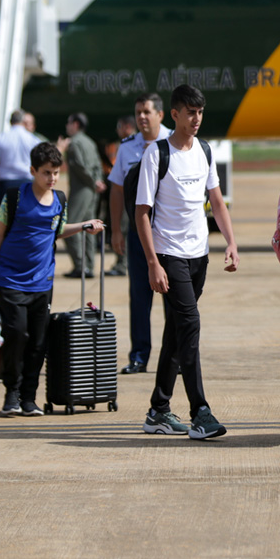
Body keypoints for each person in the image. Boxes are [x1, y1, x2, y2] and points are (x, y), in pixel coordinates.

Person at [137, 85, 238, 439]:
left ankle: (158, 411)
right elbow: (142, 213)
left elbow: (217, 201)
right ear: (175, 114)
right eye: (189, 112)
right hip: (169, 254)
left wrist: (230, 242)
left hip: (199, 256)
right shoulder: (157, 154)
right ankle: (201, 412)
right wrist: (152, 262)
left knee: (177, 332)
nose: (196, 119)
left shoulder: (205, 151)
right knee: (190, 325)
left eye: (200, 112)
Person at [0, 142, 104, 415]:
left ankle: (28, 398)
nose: (52, 178)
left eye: (56, 173)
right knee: (16, 334)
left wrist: (83, 226)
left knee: (37, 342)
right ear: (32, 170)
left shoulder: (60, 200)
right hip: (11, 279)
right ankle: (11, 392)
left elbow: (56, 231)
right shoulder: (14, 197)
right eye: (46, 172)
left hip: (42, 281)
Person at [109, 95, 172, 374]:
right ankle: (139, 356)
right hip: (138, 234)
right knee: (139, 296)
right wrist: (116, 230)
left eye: (147, 112)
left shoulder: (175, 141)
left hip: (171, 234)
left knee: (175, 299)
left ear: (160, 114)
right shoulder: (127, 148)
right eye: (138, 112)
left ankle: (176, 356)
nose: (142, 117)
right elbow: (117, 189)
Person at [63, 112, 106, 278]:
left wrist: (92, 182)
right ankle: (89, 266)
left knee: (70, 227)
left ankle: (80, 266)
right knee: (90, 228)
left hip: (81, 189)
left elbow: (80, 167)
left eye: (68, 123)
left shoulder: (74, 143)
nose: (67, 127)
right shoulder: (89, 142)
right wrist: (98, 181)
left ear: (75, 124)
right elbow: (97, 165)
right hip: (92, 191)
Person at [0, 109, 42, 225]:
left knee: (1, 221)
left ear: (10, 122)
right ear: (23, 121)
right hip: (26, 183)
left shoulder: (2, 138)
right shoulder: (32, 139)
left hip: (6, 184)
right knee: (24, 220)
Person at [103, 115, 136, 277]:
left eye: (119, 126)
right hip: (129, 196)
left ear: (127, 127)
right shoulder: (132, 145)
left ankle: (122, 264)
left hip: (126, 196)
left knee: (123, 229)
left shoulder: (128, 146)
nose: (118, 130)